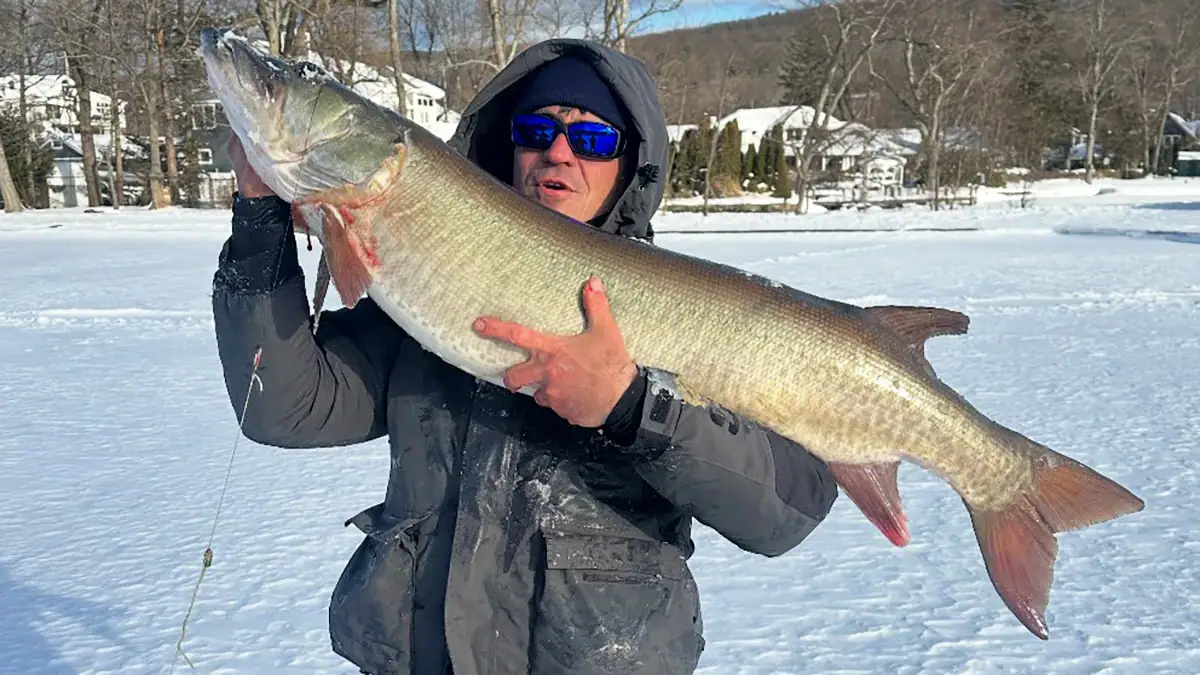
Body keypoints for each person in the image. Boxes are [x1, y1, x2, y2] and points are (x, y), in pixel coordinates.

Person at [212, 38, 838, 675]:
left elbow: (785, 510)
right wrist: (259, 218)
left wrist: (633, 408)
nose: (557, 152)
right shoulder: (424, 285)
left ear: (629, 168)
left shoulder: (684, 308)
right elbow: (283, 409)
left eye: (592, 141)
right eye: (536, 130)